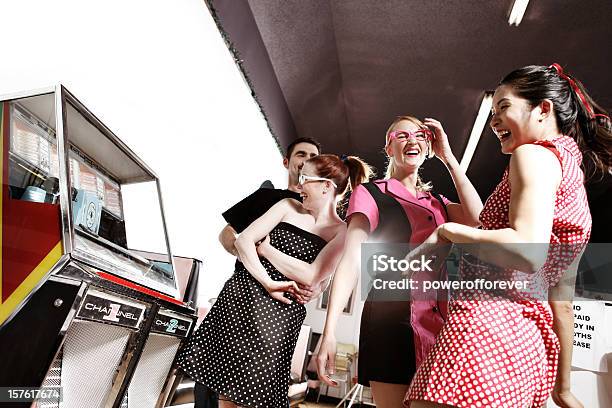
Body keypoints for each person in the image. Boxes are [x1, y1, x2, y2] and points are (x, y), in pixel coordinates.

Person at [406, 64, 611, 408]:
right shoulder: (571, 177)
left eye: (504, 107)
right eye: (491, 112)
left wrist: (448, 231)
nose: (494, 121)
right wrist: (562, 389)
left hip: (483, 332)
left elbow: (527, 250)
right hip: (527, 349)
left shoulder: (532, 154)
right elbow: (561, 301)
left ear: (543, 109)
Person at [176, 154, 372, 408]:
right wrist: (268, 281)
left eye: (306, 180)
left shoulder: (341, 231)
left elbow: (313, 275)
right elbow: (244, 240)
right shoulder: (287, 206)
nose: (300, 186)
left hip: (278, 322)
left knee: (254, 398)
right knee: (224, 396)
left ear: (327, 186)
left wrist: (267, 251)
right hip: (239, 304)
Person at [316, 116, 483, 408]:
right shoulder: (371, 193)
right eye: (401, 135)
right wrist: (329, 332)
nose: (411, 140)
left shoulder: (439, 203)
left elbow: (479, 219)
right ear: (388, 147)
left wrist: (448, 158)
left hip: (441, 324)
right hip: (390, 321)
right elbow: (351, 260)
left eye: (419, 135)